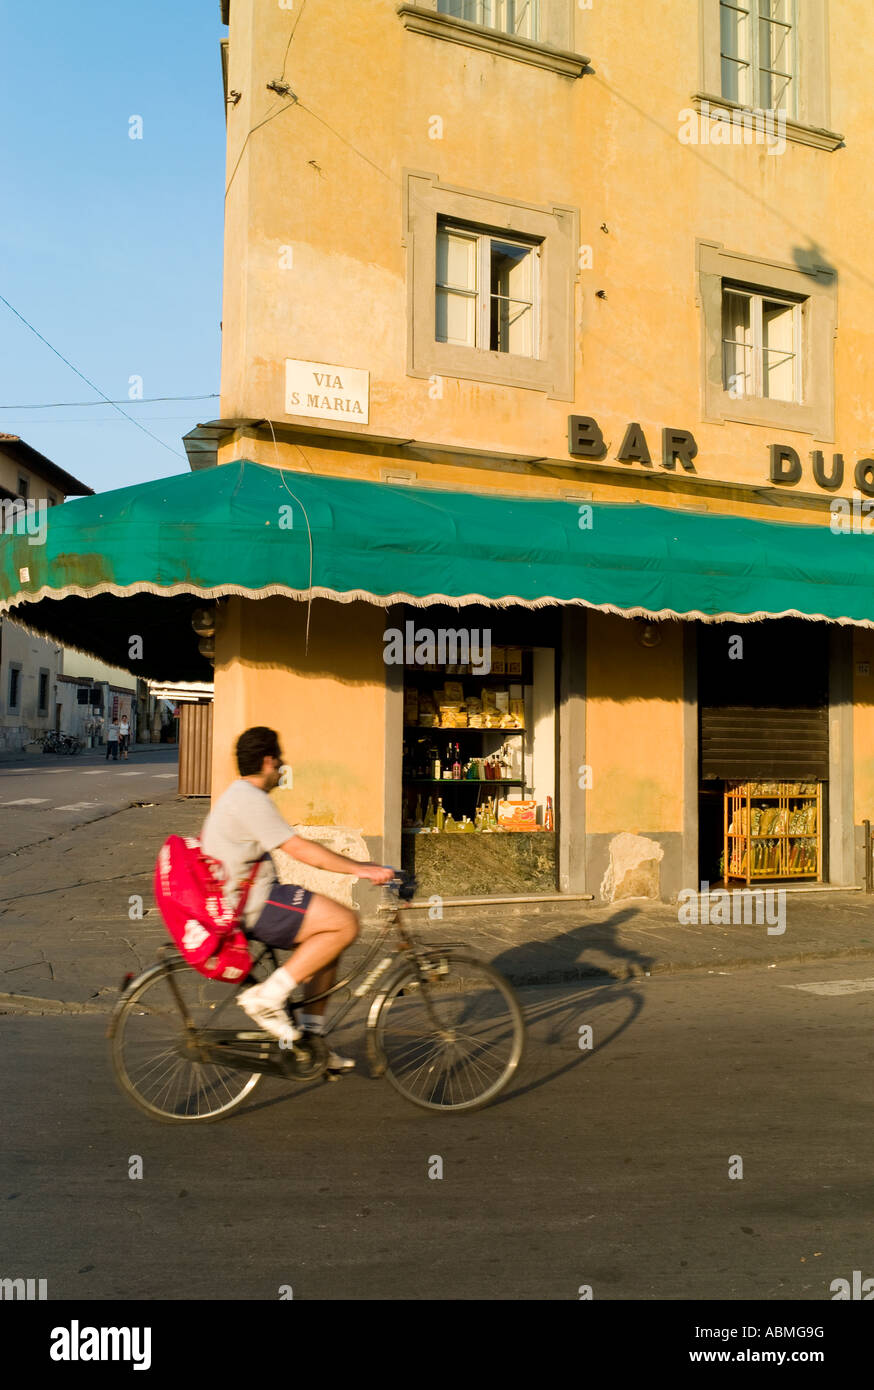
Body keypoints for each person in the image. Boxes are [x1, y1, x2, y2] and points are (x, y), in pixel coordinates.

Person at [200, 726, 395, 1069]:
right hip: (251, 905)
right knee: (344, 923)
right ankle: (268, 996)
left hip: (248, 897)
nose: (281, 768)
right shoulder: (250, 799)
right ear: (267, 761)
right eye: (279, 761)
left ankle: (312, 1045)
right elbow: (303, 851)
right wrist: (361, 869)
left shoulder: (237, 795)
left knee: (327, 945)